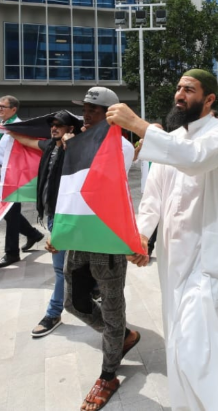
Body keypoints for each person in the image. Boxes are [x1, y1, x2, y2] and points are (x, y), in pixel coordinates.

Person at [107, 70, 218, 411]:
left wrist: (139, 125)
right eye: (178, 87)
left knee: (200, 345)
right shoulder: (171, 139)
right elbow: (154, 192)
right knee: (180, 345)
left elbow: (193, 159)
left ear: (209, 99)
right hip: (173, 258)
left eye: (189, 89)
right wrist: (142, 234)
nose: (179, 94)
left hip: (207, 259)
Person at [64, 88, 140, 411]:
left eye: (94, 110)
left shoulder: (119, 145)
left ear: (110, 113)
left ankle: (109, 373)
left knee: (111, 306)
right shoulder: (80, 143)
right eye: (84, 109)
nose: (86, 115)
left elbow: (101, 183)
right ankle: (121, 335)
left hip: (106, 237)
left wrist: (81, 145)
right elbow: (70, 189)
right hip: (79, 235)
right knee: (74, 302)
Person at [7, 111, 82, 339]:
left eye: (60, 125)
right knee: (72, 266)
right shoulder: (50, 146)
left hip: (67, 217)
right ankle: (91, 291)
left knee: (60, 269)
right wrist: (6, 131)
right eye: (52, 124)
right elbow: (28, 141)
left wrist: (73, 146)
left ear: (71, 128)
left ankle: (53, 313)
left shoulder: (78, 148)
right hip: (51, 215)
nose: (54, 128)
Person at [0, 95, 45, 268]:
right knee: (9, 214)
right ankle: (33, 234)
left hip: (13, 177)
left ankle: (12, 253)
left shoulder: (17, 127)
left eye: (3, 106)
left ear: (13, 109)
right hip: (3, 176)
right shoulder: (7, 127)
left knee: (10, 215)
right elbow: (1, 141)